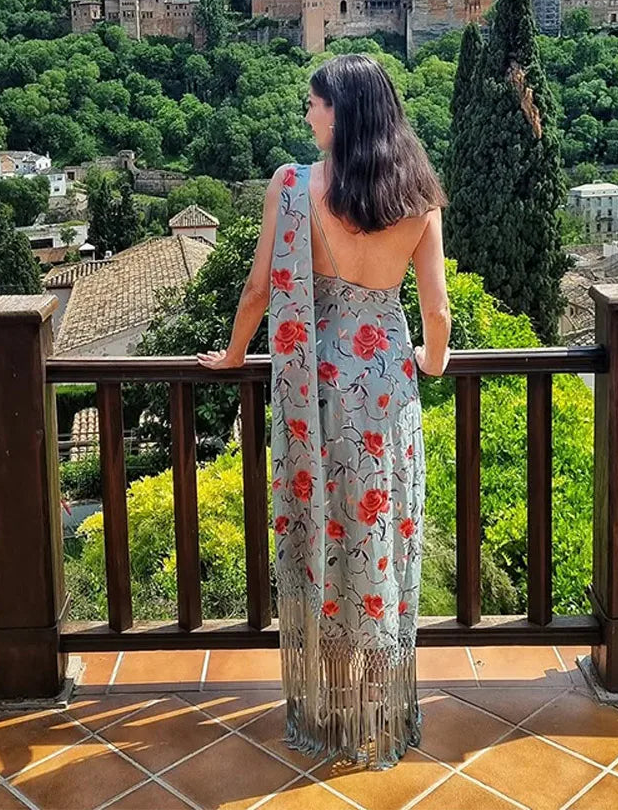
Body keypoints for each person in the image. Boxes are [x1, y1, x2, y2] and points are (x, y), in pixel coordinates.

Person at [197, 53, 451, 769]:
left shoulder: (292, 187)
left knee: (323, 531)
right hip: (387, 388)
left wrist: (234, 355)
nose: (307, 114)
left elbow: (257, 289)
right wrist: (432, 362)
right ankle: (381, 703)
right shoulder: (419, 197)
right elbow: (437, 312)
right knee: (380, 528)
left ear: (343, 112)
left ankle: (324, 702)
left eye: (315, 103)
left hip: (316, 389)